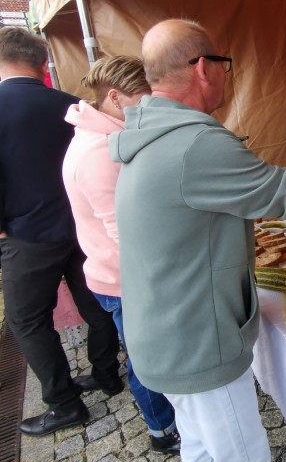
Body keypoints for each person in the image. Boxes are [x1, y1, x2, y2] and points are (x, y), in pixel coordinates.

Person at [109, 18, 286, 461]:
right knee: (240, 453)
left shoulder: (144, 132)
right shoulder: (196, 144)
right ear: (202, 68)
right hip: (198, 343)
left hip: (162, 332)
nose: (225, 75)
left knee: (199, 447)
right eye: (223, 64)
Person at [0, 27, 121, 436]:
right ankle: (106, 373)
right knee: (97, 304)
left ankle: (63, 402)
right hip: (81, 227)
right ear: (41, 63)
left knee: (26, 320)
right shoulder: (73, 105)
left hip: (27, 233)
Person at [61, 55, 181, 455]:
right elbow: (126, 235)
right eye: (145, 99)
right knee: (146, 362)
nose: (153, 109)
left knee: (150, 355)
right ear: (114, 97)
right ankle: (162, 430)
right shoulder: (99, 151)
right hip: (124, 279)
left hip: (122, 273)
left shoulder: (106, 135)